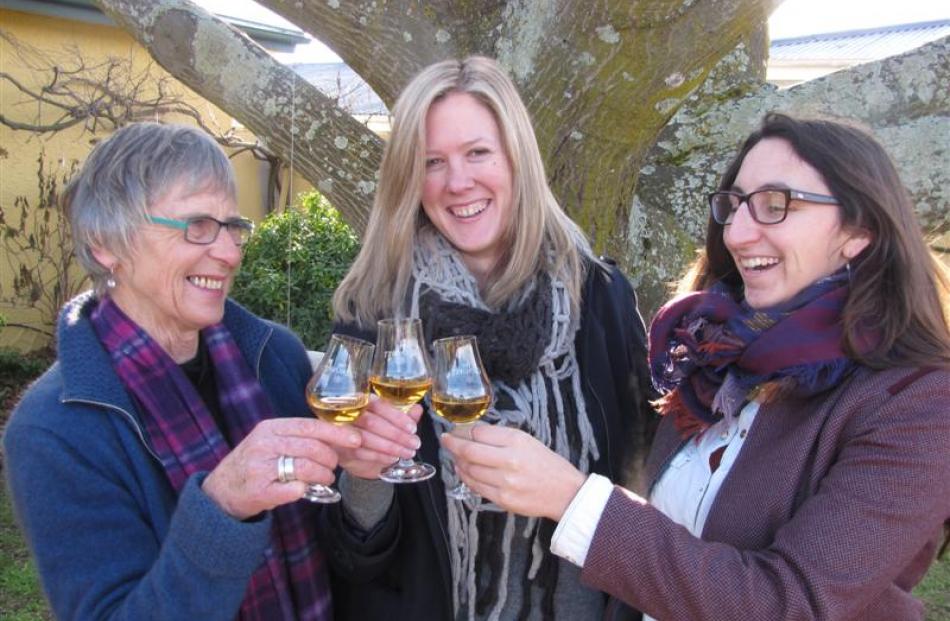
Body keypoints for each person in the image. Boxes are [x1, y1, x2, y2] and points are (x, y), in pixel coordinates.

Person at [443, 112, 950, 620]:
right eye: (736, 206)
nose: (738, 233)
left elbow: (788, 605)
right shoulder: (714, 360)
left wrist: (575, 502)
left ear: (858, 231)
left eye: (776, 206)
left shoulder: (919, 403)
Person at [319, 56, 656, 620]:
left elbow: (643, 487)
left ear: (517, 160)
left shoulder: (599, 297)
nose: (458, 183)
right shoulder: (373, 313)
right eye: (432, 162)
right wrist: (364, 473)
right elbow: (352, 557)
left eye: (478, 153)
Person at [3, 122, 362, 620]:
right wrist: (220, 510)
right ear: (105, 242)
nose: (230, 251)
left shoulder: (274, 356)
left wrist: (366, 478)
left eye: (232, 226)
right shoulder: (54, 429)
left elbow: (343, 553)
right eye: (197, 226)